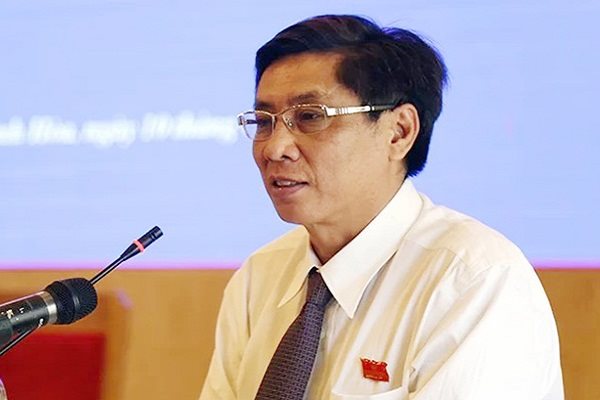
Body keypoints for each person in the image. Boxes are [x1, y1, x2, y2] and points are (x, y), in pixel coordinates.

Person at [200, 14, 563, 400]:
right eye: (263, 121)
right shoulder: (259, 277)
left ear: (399, 131)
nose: (274, 148)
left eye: (309, 117)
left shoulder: (472, 280)